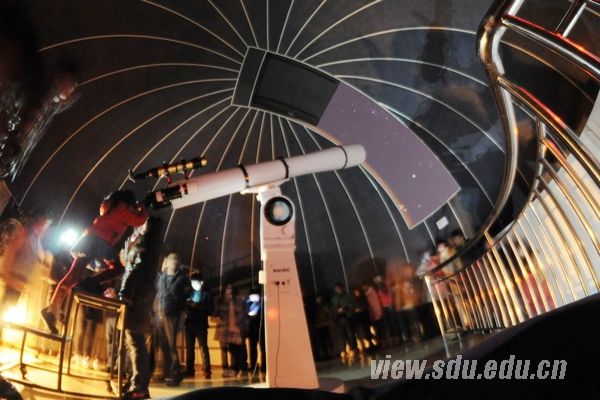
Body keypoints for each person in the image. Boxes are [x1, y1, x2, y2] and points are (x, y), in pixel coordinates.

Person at [41, 190, 147, 334]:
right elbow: (138, 221)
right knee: (74, 276)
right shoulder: (122, 209)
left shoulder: (112, 205)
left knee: (82, 275)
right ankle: (52, 309)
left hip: (94, 241)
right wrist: (143, 210)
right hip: (96, 243)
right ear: (128, 202)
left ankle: (56, 306)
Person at [118, 217, 162, 399]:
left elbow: (135, 269)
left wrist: (125, 293)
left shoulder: (144, 244)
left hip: (136, 296)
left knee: (134, 341)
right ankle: (137, 383)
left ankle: (139, 387)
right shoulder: (153, 246)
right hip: (143, 295)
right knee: (135, 341)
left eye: (143, 223)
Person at [0, 208, 52, 319]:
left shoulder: (36, 239)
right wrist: (6, 274)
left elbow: (40, 257)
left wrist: (45, 262)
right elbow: (11, 250)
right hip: (14, 279)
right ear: (38, 221)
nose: (44, 226)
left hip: (20, 282)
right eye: (43, 223)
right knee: (4, 309)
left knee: (5, 310)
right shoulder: (25, 234)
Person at [153, 252, 190, 387]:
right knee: (164, 346)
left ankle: (175, 375)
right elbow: (157, 289)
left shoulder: (182, 278)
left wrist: (178, 308)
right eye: (171, 259)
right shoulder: (161, 276)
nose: (174, 261)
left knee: (171, 346)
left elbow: (185, 297)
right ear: (166, 262)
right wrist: (162, 272)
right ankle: (167, 373)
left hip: (172, 315)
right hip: (159, 313)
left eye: (176, 260)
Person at [183, 272, 212, 379]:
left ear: (201, 282)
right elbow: (183, 304)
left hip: (201, 324)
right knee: (189, 348)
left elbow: (210, 308)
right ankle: (189, 369)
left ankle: (207, 369)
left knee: (203, 347)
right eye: (192, 282)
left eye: (196, 282)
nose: (194, 284)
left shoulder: (206, 294)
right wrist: (187, 305)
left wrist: (197, 306)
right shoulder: (188, 293)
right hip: (189, 323)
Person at [214, 283, 247, 377]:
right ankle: (225, 368)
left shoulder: (237, 300)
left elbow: (241, 313)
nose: (228, 290)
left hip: (233, 328)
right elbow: (216, 313)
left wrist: (236, 323)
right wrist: (218, 318)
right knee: (223, 349)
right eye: (227, 288)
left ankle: (234, 368)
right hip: (222, 328)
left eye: (230, 288)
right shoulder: (220, 300)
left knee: (234, 349)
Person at [330, 283, 358, 357]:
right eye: (336, 289)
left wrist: (346, 308)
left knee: (350, 333)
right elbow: (332, 308)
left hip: (348, 317)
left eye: (339, 288)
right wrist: (337, 311)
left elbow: (353, 305)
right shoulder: (334, 298)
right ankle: (343, 350)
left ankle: (353, 348)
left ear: (342, 288)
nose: (338, 290)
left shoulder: (348, 296)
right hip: (339, 318)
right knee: (342, 335)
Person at [246, 288, 265, 373]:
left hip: (261, 329)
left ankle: (264, 365)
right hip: (251, 329)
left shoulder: (263, 304)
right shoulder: (248, 303)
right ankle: (254, 365)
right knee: (252, 348)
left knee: (263, 348)